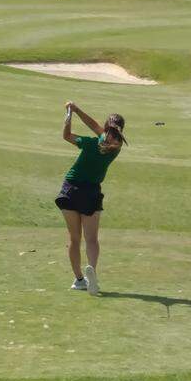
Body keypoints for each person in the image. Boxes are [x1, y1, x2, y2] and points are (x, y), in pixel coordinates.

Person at [55, 102, 127, 296]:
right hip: (91, 193)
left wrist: (70, 115)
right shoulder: (117, 146)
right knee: (92, 239)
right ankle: (92, 271)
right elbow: (96, 126)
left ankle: (79, 280)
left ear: (106, 128)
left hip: (70, 189)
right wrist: (77, 111)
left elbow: (67, 136)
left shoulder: (89, 143)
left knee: (74, 238)